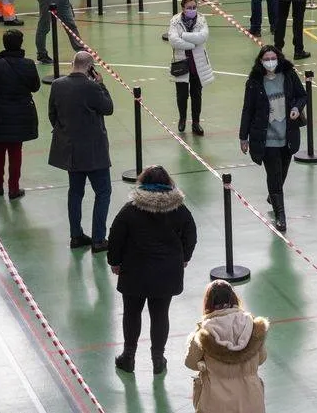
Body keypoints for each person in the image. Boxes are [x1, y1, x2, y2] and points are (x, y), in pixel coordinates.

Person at [108, 165, 197, 375]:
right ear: (169, 183)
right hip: (166, 273)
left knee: (131, 313)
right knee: (160, 314)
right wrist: (184, 257)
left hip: (134, 271)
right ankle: (158, 358)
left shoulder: (131, 209)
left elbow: (116, 236)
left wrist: (115, 261)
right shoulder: (179, 209)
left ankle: (128, 357)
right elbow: (191, 235)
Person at [48, 51, 114, 253]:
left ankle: (76, 236)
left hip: (71, 151)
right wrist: (101, 84)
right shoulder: (92, 87)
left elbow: (52, 115)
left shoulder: (57, 85)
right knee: (103, 192)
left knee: (75, 193)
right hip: (94, 152)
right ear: (90, 67)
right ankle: (98, 239)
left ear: (72, 64)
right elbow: (108, 108)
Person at [239, 45, 307, 231]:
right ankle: (280, 215)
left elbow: (302, 96)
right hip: (266, 138)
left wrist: (295, 108)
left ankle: (273, 196)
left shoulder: (289, 76)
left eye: (273, 58)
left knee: (283, 171)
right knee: (274, 175)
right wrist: (243, 137)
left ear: (279, 58)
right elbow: (247, 110)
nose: (270, 62)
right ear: (260, 62)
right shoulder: (254, 82)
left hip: (287, 135)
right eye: (266, 59)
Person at [185, 281, 269, 413]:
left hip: (215, 403)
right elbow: (261, 359)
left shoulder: (204, 333)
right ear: (234, 299)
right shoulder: (253, 326)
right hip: (251, 399)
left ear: (208, 303)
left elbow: (190, 363)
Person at [0, 29, 40, 200]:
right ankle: (14, 189)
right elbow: (35, 87)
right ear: (20, 44)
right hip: (21, 114)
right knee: (16, 151)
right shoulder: (28, 64)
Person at [168, 0, 214, 135]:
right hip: (182, 63)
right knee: (181, 95)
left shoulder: (201, 19)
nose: (192, 10)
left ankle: (196, 123)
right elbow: (173, 40)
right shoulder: (175, 21)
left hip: (197, 64)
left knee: (196, 95)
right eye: (189, 7)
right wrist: (192, 44)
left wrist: (184, 35)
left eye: (194, 7)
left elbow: (203, 37)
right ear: (183, 8)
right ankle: (182, 119)